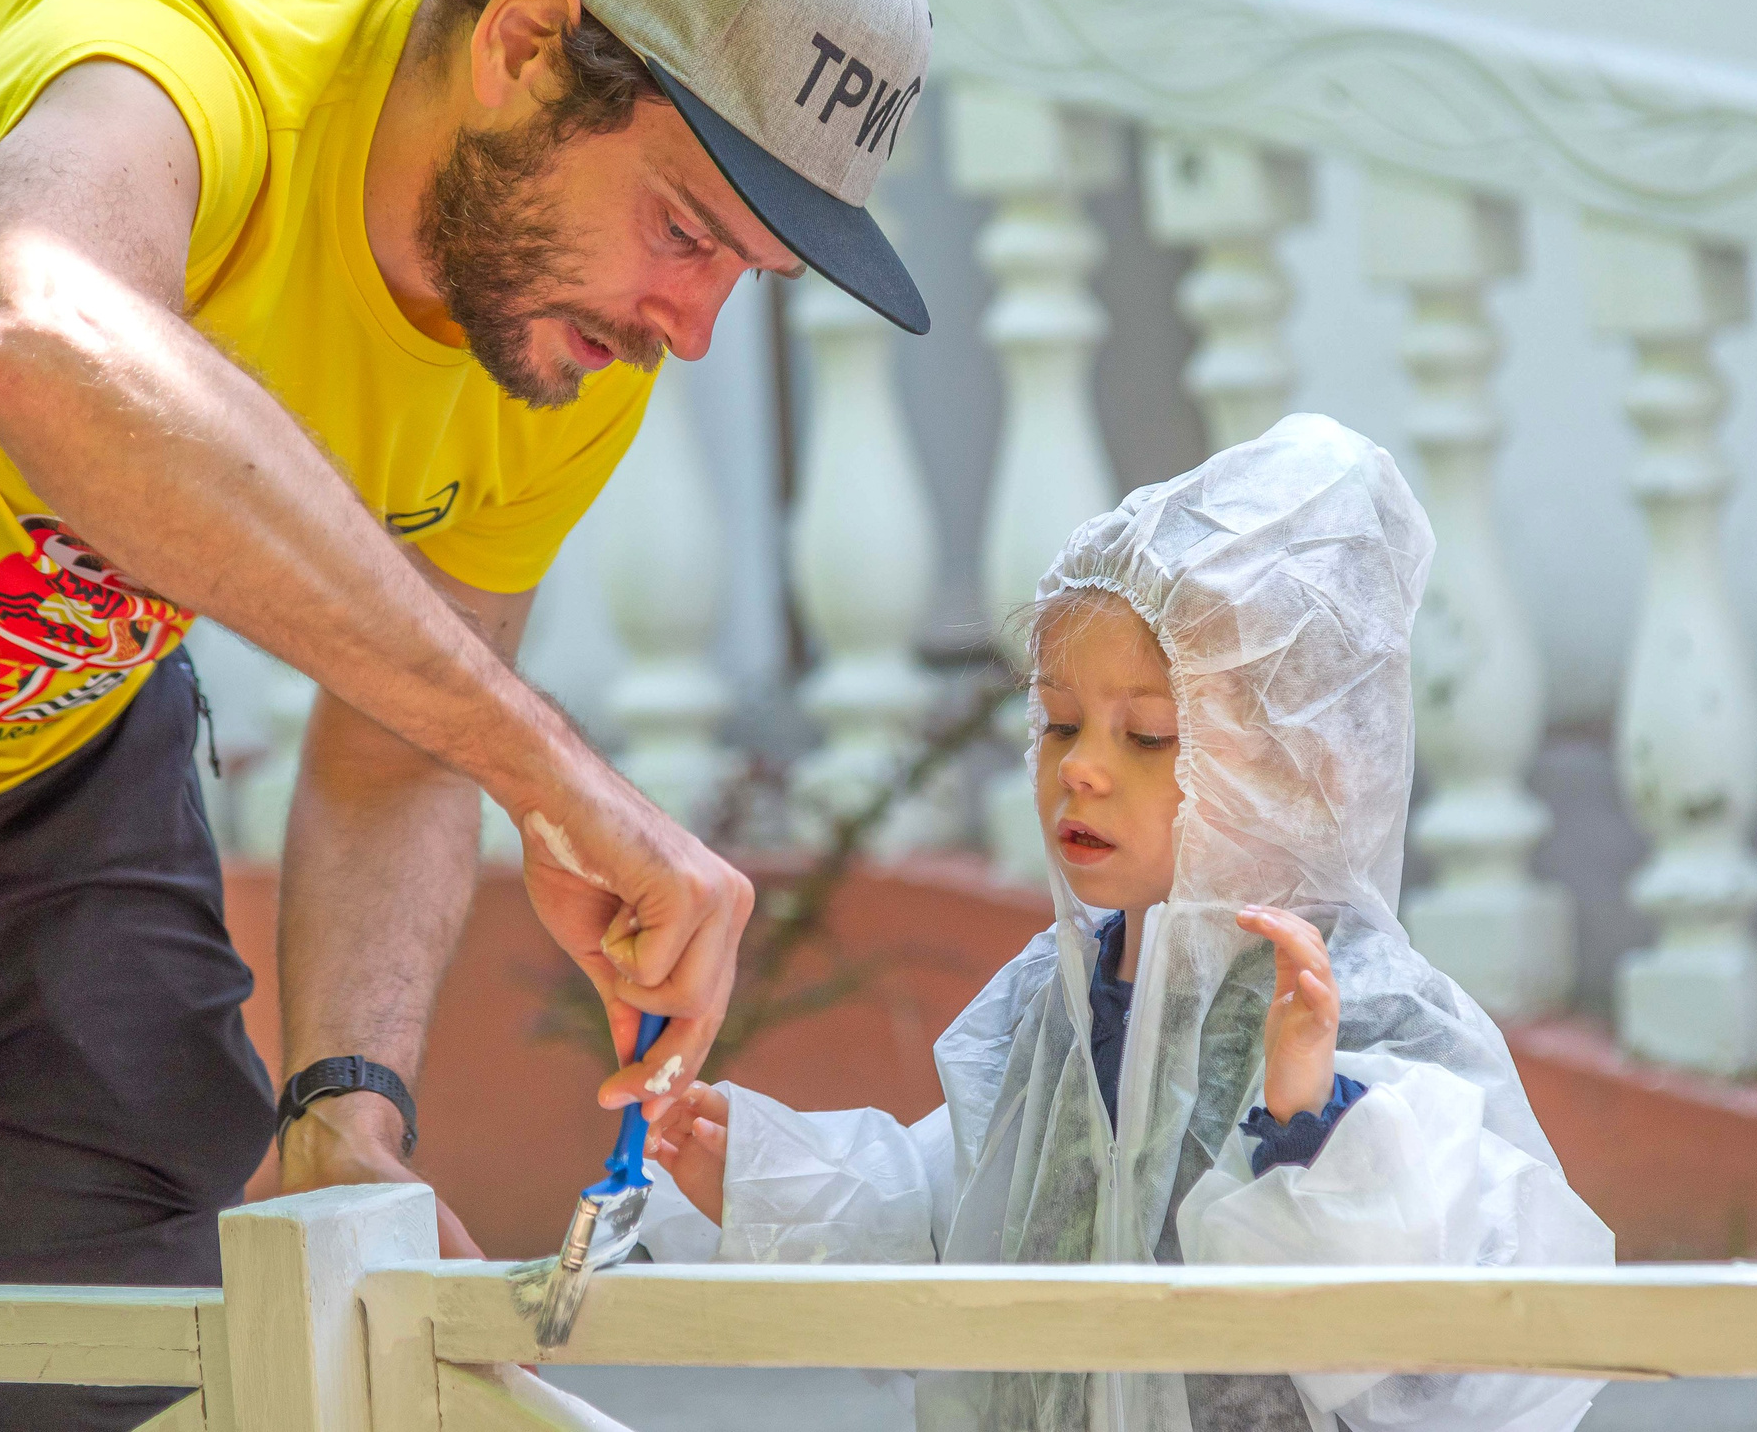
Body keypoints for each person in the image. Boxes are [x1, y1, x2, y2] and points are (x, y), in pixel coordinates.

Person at [0, 0, 930, 1431]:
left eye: (744, 272)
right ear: (526, 44)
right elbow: (43, 340)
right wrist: (560, 778)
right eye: (687, 230)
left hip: (49, 819)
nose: (687, 327)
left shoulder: (550, 328)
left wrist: (349, 1101)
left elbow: (407, 727)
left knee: (188, 1390)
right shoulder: (162, 62)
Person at [645, 414, 1615, 1431]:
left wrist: (1314, 1129)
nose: (1080, 767)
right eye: (1058, 721)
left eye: (1148, 734)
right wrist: (768, 1178)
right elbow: (966, 1218)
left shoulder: (1358, 1006)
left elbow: (1456, 1358)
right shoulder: (1054, 996)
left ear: (1301, 767)